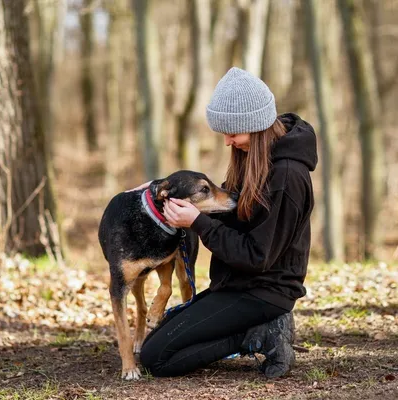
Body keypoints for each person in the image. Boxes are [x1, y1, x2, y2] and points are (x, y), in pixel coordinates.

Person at [132, 67, 318, 378]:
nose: (227, 142)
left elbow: (257, 257)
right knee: (160, 338)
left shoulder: (287, 177)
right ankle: (255, 329)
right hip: (236, 286)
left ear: (256, 126)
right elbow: (226, 205)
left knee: (156, 358)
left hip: (264, 292)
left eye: (232, 133)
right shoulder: (254, 157)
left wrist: (198, 224)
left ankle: (257, 335)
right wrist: (160, 190)